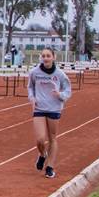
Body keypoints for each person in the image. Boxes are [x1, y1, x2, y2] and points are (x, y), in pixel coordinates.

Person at [27, 47, 72, 180]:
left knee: (52, 138)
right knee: (40, 139)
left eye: (48, 56)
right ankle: (42, 155)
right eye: (43, 56)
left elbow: (68, 90)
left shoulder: (60, 74)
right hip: (39, 108)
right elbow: (30, 87)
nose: (45, 58)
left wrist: (61, 95)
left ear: (54, 57)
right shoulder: (34, 72)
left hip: (54, 108)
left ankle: (50, 167)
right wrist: (32, 98)